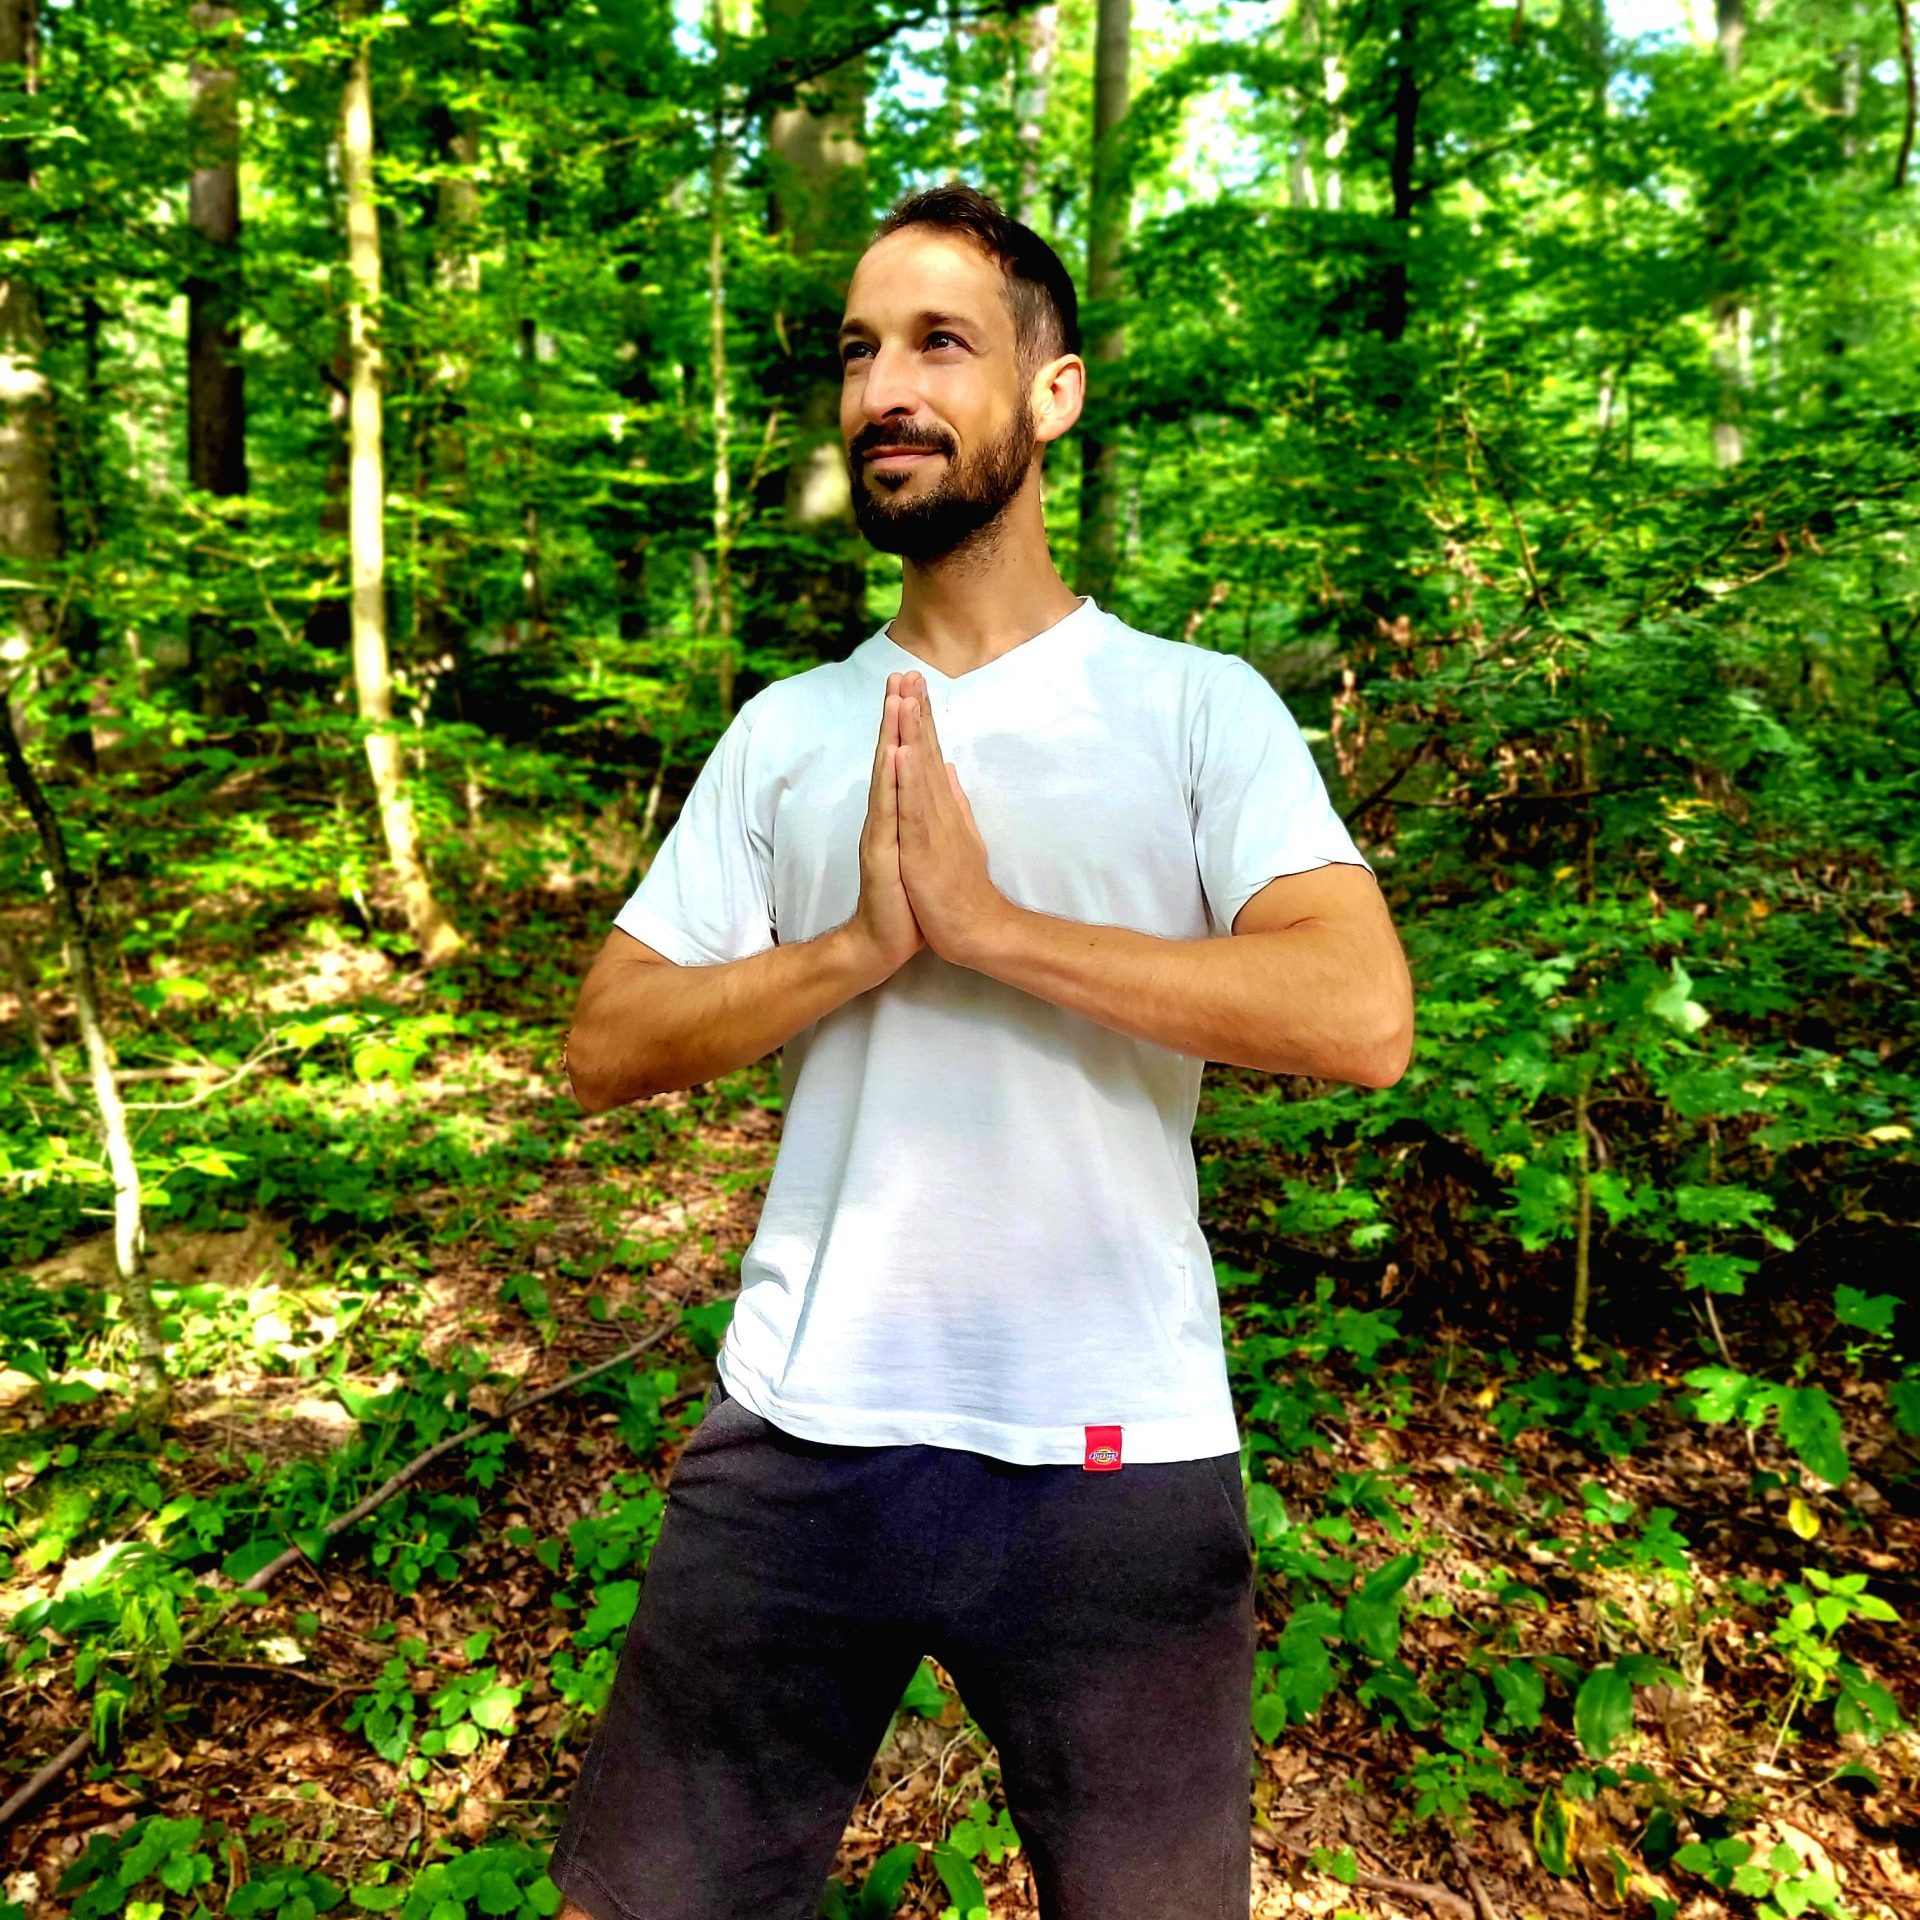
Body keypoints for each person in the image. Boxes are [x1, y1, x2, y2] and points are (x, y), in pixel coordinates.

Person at [548, 182, 1414, 1920]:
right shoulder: (789, 730)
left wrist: (993, 926)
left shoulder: (1193, 707)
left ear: (1053, 392)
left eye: (941, 342)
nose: (886, 387)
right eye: (859, 350)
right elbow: (605, 1042)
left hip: (1115, 1445)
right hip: (801, 1422)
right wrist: (855, 949)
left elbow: (1358, 1013)